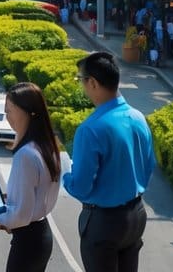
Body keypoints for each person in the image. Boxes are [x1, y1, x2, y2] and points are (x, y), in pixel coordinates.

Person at [62, 51, 155, 272]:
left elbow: (81, 186)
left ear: (92, 82)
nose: (82, 87)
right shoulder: (138, 117)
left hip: (104, 223)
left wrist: (65, 175)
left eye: (81, 80)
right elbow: (148, 165)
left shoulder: (90, 129)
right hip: (137, 215)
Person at [0, 83, 63, 272]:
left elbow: (22, 215)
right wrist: (12, 197)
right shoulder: (47, 146)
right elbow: (37, 193)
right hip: (41, 235)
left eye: (10, 110)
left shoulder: (26, 155)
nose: (6, 116)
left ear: (29, 112)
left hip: (28, 241)